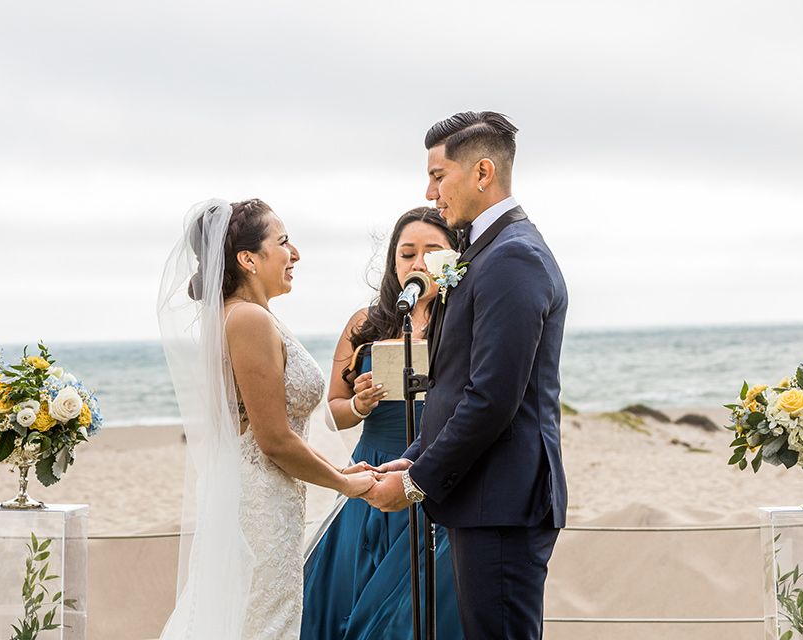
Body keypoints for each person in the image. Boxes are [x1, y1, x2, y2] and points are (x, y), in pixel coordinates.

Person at [364, 112, 568, 640]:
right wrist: (415, 452)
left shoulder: (513, 256)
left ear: (482, 172)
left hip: (501, 501)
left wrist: (415, 483)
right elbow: (457, 386)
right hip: (484, 498)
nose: (430, 192)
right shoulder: (485, 252)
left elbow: (492, 399)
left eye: (438, 175)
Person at [156, 198, 376, 640]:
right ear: (247, 259)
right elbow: (273, 439)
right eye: (284, 242)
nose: (295, 255)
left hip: (264, 498)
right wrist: (344, 484)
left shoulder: (246, 316)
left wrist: (339, 467)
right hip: (259, 508)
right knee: (263, 626)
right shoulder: (249, 320)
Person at [301, 207, 464, 639]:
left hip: (436, 468)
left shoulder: (465, 320)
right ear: (394, 262)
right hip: (373, 467)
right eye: (407, 253)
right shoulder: (366, 323)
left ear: (453, 257)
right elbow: (331, 410)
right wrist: (359, 404)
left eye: (432, 251)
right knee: (350, 595)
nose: (418, 263)